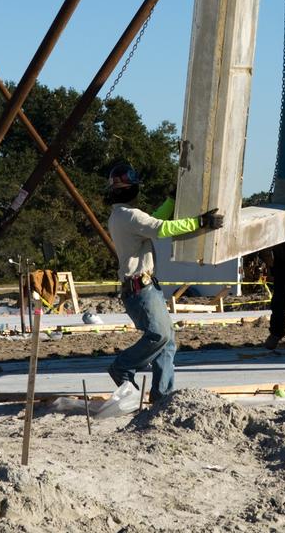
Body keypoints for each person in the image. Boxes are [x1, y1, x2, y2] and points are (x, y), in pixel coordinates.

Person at [105, 164, 223, 402]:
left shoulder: (122, 216)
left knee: (168, 343)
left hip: (145, 287)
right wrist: (199, 222)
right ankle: (122, 367)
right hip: (140, 290)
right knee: (158, 336)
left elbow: (154, 221)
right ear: (133, 190)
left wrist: (171, 201)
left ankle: (162, 395)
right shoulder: (130, 216)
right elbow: (161, 228)